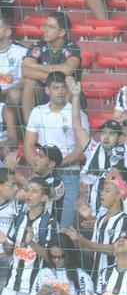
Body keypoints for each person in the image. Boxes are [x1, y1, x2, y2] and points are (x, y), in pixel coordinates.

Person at [25, 73, 88, 229]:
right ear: (47, 90)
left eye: (63, 88)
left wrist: (55, 164)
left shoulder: (78, 114)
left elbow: (82, 150)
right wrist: (38, 166)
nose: (60, 91)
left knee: (63, 226)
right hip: (43, 175)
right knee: (39, 223)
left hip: (69, 174)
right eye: (55, 88)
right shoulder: (37, 112)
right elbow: (29, 144)